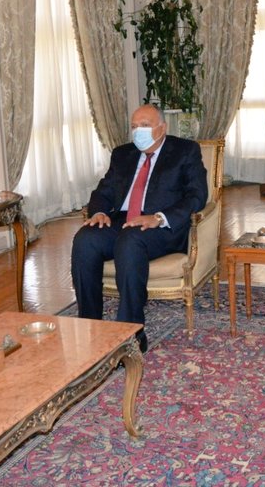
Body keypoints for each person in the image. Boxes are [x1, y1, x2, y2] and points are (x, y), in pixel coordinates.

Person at [71, 104, 208, 352]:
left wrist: (159, 217)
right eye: (134, 126)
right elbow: (103, 191)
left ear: (162, 128)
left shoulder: (185, 151)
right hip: (123, 220)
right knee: (85, 239)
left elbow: (197, 196)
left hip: (161, 226)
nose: (138, 132)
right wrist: (99, 212)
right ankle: (90, 325)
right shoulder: (122, 154)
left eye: (144, 126)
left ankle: (131, 332)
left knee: (130, 240)